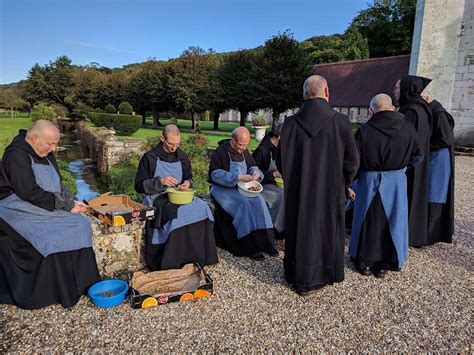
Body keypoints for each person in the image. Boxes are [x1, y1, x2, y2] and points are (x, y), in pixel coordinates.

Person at [0, 120, 100, 309]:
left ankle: (81, 285)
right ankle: (59, 290)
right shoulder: (16, 155)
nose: (54, 149)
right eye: (50, 143)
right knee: (56, 232)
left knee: (80, 224)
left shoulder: (43, 151)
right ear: (34, 138)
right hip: (16, 206)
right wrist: (65, 205)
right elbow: (28, 192)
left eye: (55, 143)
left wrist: (70, 200)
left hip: (41, 201)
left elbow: (59, 183)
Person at [276, 75, 359, 295]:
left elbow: (281, 160)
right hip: (330, 190)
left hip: (298, 190)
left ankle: (297, 275)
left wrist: (293, 179)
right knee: (325, 230)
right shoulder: (341, 122)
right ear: (327, 92)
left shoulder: (290, 124)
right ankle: (323, 274)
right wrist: (343, 182)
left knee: (299, 229)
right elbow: (353, 161)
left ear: (304, 94)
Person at [349, 94, 423, 278]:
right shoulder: (409, 129)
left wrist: (351, 181)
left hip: (368, 181)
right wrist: (400, 171)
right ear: (392, 107)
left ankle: (364, 262)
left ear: (371, 110)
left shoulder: (364, 131)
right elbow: (418, 156)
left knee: (368, 220)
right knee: (393, 220)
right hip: (396, 182)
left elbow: (354, 161)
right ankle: (384, 264)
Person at [135, 124, 218, 270]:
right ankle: (172, 260)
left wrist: (187, 183)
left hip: (179, 195)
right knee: (177, 214)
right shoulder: (150, 158)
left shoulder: (182, 157)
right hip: (157, 197)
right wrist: (160, 181)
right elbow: (139, 185)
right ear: (162, 139)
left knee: (203, 208)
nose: (174, 148)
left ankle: (199, 257)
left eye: (177, 144)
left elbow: (189, 179)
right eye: (171, 144)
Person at [209, 126, 279, 261]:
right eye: (241, 145)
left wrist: (255, 172)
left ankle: (265, 242)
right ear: (234, 141)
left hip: (242, 187)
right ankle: (246, 246)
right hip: (223, 190)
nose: (243, 148)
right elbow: (215, 174)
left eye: (246, 145)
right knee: (244, 204)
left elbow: (252, 165)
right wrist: (237, 177)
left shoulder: (244, 151)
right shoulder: (220, 152)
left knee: (259, 201)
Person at [393, 75, 432, 247]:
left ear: (407, 88)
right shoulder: (421, 108)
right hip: (419, 162)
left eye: (397, 87)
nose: (394, 91)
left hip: (409, 164)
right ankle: (413, 233)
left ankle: (405, 233)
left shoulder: (411, 112)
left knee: (407, 196)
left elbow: (403, 140)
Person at [422, 94, 455, 245]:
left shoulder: (438, 113)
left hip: (438, 159)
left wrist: (424, 147)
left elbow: (445, 139)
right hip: (435, 157)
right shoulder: (434, 110)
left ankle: (430, 235)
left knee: (434, 195)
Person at [251, 123, 285, 238]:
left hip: (275, 183)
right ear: (280, 137)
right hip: (262, 185)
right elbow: (253, 176)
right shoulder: (262, 151)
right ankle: (275, 229)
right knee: (282, 195)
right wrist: (273, 174)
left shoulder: (279, 149)